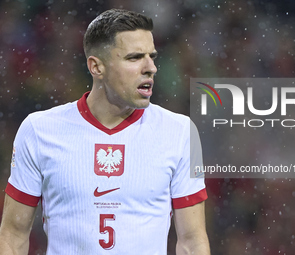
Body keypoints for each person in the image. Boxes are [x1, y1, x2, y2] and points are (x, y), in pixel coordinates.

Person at [0, 8, 210, 255]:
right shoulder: (38, 130)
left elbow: (192, 241)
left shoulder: (181, 132)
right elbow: (13, 235)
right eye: (134, 58)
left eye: (151, 56)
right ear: (96, 67)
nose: (151, 67)